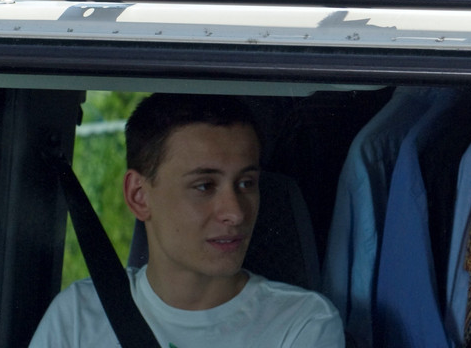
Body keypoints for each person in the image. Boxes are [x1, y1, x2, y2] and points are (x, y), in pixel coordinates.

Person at [28, 93, 345, 348]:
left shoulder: (301, 323)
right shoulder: (79, 314)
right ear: (139, 195)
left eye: (246, 183)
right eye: (204, 186)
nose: (235, 213)